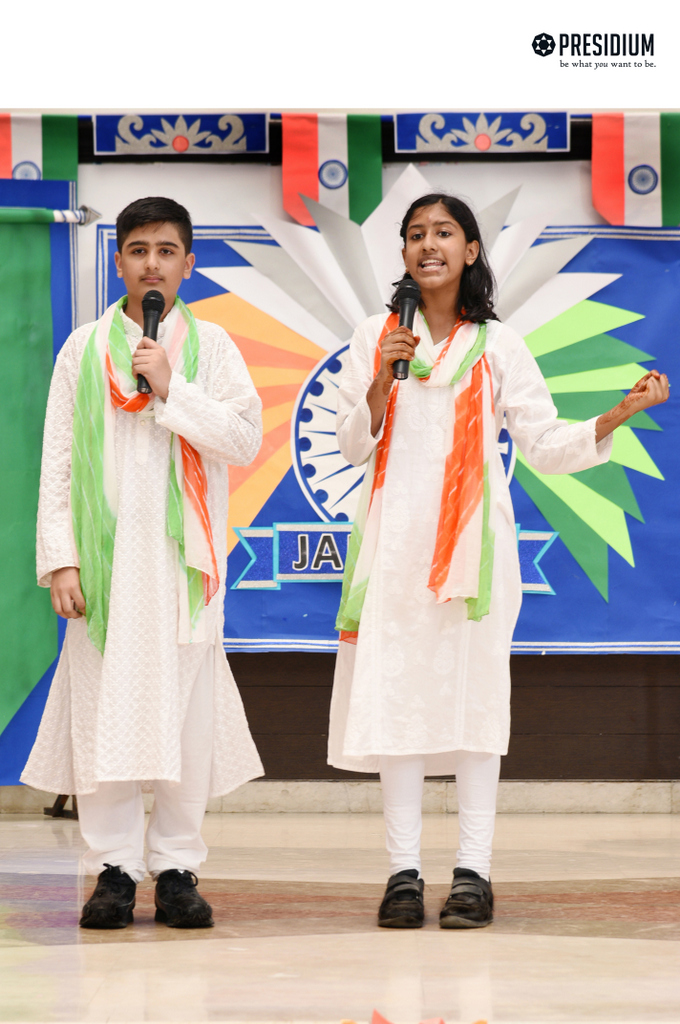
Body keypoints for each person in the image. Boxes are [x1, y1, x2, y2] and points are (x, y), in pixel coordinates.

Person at [328, 192, 669, 930]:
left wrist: (614, 416)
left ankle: (474, 874)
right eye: (415, 234)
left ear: (471, 251)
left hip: (477, 561)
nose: (428, 245)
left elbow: (543, 442)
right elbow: (353, 442)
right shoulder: (375, 336)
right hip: (393, 554)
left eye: (443, 233)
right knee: (399, 709)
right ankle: (402, 876)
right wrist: (382, 381)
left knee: (476, 709)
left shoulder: (499, 345)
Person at [22, 197, 264, 929]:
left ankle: (178, 868)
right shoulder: (83, 350)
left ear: (188, 265)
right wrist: (61, 560)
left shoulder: (213, 348)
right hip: (102, 570)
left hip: (181, 569)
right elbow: (58, 462)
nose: (151, 263)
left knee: (186, 717)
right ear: (118, 262)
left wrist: (171, 386)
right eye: (137, 250)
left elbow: (244, 441)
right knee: (104, 711)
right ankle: (115, 871)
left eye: (166, 250)